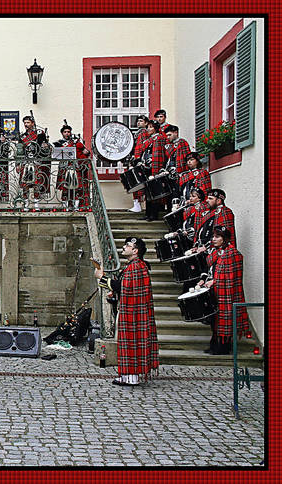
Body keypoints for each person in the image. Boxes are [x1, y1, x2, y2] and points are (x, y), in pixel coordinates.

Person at [95, 237, 159, 386]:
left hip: (134, 313)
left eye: (127, 245)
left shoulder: (136, 267)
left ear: (135, 251)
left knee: (132, 342)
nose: (124, 247)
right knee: (126, 342)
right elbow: (124, 288)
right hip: (130, 310)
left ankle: (132, 376)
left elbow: (124, 287)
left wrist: (102, 278)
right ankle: (126, 374)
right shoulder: (132, 266)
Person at [196, 226, 249, 355]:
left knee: (224, 319)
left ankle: (223, 347)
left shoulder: (232, 254)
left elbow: (230, 277)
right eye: (213, 236)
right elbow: (210, 269)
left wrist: (214, 281)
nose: (214, 239)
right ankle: (215, 344)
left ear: (224, 239)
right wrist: (204, 279)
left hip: (227, 293)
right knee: (215, 320)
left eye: (217, 237)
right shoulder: (217, 252)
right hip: (216, 292)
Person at [53, 124, 91, 210]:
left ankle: (76, 206)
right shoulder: (58, 143)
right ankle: (65, 206)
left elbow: (85, 152)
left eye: (68, 132)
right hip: (64, 168)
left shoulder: (76, 142)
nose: (67, 134)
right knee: (65, 188)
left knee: (76, 187)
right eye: (65, 132)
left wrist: (86, 152)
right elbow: (55, 155)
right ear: (62, 133)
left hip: (75, 167)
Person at [19, 116, 50, 210]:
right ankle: (26, 205)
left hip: (37, 161)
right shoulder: (22, 136)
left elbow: (44, 146)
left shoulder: (39, 133)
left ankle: (36, 205)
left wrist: (45, 145)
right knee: (25, 184)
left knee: (37, 184)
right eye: (25, 123)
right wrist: (18, 164)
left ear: (32, 123)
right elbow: (20, 151)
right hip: (26, 162)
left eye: (28, 123)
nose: (26, 125)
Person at [143, 120, 169, 221]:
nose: (148, 129)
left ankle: (153, 215)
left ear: (155, 128)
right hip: (148, 167)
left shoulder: (159, 138)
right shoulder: (150, 139)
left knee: (154, 192)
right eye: (148, 127)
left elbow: (158, 156)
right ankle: (148, 213)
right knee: (148, 191)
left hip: (155, 168)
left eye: (150, 127)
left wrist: (156, 171)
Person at [129, 115, 151, 213]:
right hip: (136, 159)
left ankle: (138, 205)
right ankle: (136, 205)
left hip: (139, 160)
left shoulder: (144, 133)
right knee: (135, 183)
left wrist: (137, 158)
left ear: (146, 123)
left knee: (138, 184)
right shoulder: (138, 133)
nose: (139, 123)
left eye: (141, 121)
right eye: (138, 121)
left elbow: (141, 148)